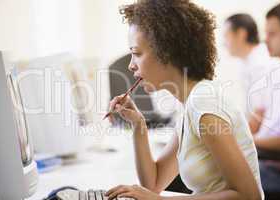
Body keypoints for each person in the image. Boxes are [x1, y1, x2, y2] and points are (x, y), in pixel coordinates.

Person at [105, 0, 264, 200]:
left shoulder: (204, 104)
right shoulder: (189, 103)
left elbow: (250, 196)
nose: (131, 65)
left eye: (136, 53)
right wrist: (138, 124)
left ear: (167, 52)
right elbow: (153, 184)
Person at [250, 1, 280, 198]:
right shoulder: (277, 72)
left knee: (206, 181)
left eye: (272, 33)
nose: (265, 40)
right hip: (264, 162)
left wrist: (249, 141)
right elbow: (256, 121)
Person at [224, 13, 280, 130]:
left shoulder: (260, 63)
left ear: (241, 34)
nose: (224, 43)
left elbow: (259, 115)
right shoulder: (248, 62)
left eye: (226, 36)